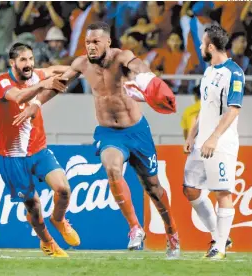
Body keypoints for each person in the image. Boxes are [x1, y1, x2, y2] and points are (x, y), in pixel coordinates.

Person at [13, 22, 180, 258]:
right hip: (108, 133)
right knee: (112, 169)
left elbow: (138, 65)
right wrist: (36, 104)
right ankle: (135, 228)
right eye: (87, 43)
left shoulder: (122, 57)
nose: (90, 47)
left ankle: (171, 231)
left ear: (108, 42)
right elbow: (59, 85)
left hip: (136, 131)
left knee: (153, 188)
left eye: (95, 42)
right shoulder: (81, 63)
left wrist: (149, 79)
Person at [0, 42, 80, 257]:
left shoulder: (38, 74)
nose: (28, 63)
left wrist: (80, 67)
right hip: (12, 156)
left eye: (30, 59)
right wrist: (44, 84)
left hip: (38, 149)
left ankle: (59, 220)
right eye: (23, 60)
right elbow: (19, 97)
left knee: (63, 190)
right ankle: (47, 242)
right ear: (12, 63)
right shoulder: (1, 82)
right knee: (33, 205)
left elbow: (61, 72)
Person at [183, 25, 244, 259]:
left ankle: (218, 247)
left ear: (210, 46)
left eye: (201, 43)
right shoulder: (208, 71)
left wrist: (214, 137)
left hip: (221, 144)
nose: (199, 47)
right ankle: (220, 235)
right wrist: (192, 134)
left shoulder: (234, 73)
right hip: (201, 143)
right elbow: (204, 107)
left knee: (222, 192)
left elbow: (233, 109)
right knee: (190, 189)